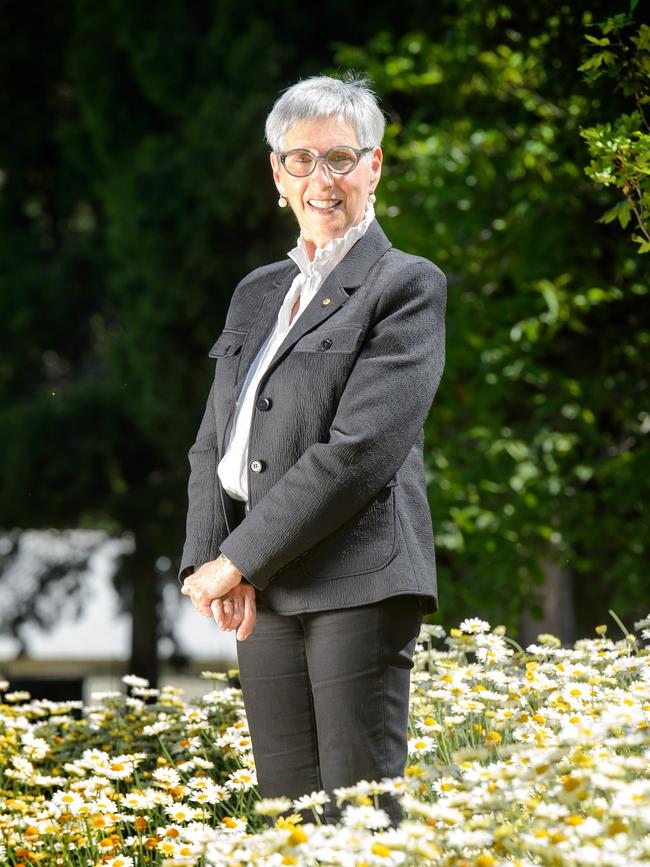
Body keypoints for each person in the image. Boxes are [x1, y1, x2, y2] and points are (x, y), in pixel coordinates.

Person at [179, 73, 446, 827]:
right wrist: (208, 560)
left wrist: (239, 558)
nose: (319, 179)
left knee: (359, 819)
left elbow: (356, 452)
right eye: (300, 160)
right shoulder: (258, 291)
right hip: (264, 590)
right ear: (277, 172)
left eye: (339, 157)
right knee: (291, 821)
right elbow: (214, 442)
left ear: (374, 166)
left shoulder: (405, 285)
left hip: (357, 582)